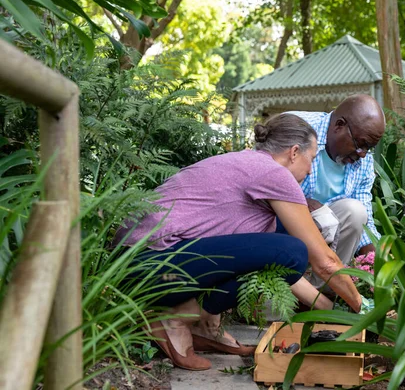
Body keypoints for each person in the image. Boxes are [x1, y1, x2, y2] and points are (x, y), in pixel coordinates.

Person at [114, 113, 362, 371]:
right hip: (152, 266)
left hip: (134, 267)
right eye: (311, 160)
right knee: (294, 252)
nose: (310, 169)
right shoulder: (274, 173)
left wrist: (329, 309)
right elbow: (324, 262)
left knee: (284, 238)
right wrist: (365, 309)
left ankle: (206, 325)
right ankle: (175, 319)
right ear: (294, 152)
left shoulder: (243, 161)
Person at [284, 94, 386, 290]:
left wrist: (379, 262)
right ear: (339, 125)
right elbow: (261, 177)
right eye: (361, 144)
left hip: (326, 240)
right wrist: (303, 202)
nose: (363, 154)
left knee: (355, 211)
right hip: (284, 227)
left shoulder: (362, 162)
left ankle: (324, 293)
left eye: (369, 148)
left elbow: (364, 218)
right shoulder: (296, 128)